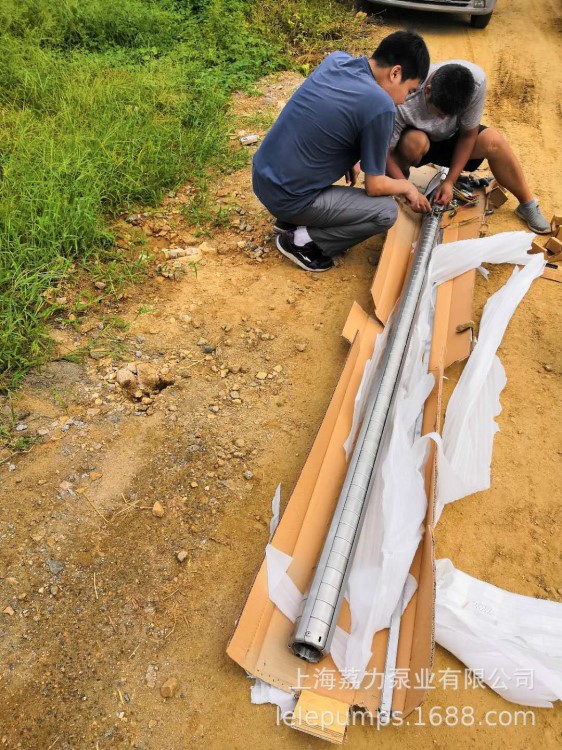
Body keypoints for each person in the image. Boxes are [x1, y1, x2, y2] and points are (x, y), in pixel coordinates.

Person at [252, 31, 432, 273]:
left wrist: (349, 154)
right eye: (409, 91)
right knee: (385, 212)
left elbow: (329, 115)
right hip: (288, 197)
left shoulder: (336, 60)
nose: (403, 102)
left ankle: (290, 221)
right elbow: (375, 186)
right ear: (395, 73)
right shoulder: (381, 105)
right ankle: (301, 241)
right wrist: (408, 188)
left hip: (262, 176)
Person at [387, 60, 550, 233]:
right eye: (440, 113)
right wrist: (408, 188)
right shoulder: (404, 95)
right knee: (415, 142)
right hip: (415, 143)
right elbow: (385, 153)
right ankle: (399, 185)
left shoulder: (475, 82)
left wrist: (450, 181)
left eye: (450, 115)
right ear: (428, 91)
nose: (442, 120)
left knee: (493, 141)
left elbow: (468, 136)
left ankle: (527, 205)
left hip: (453, 140)